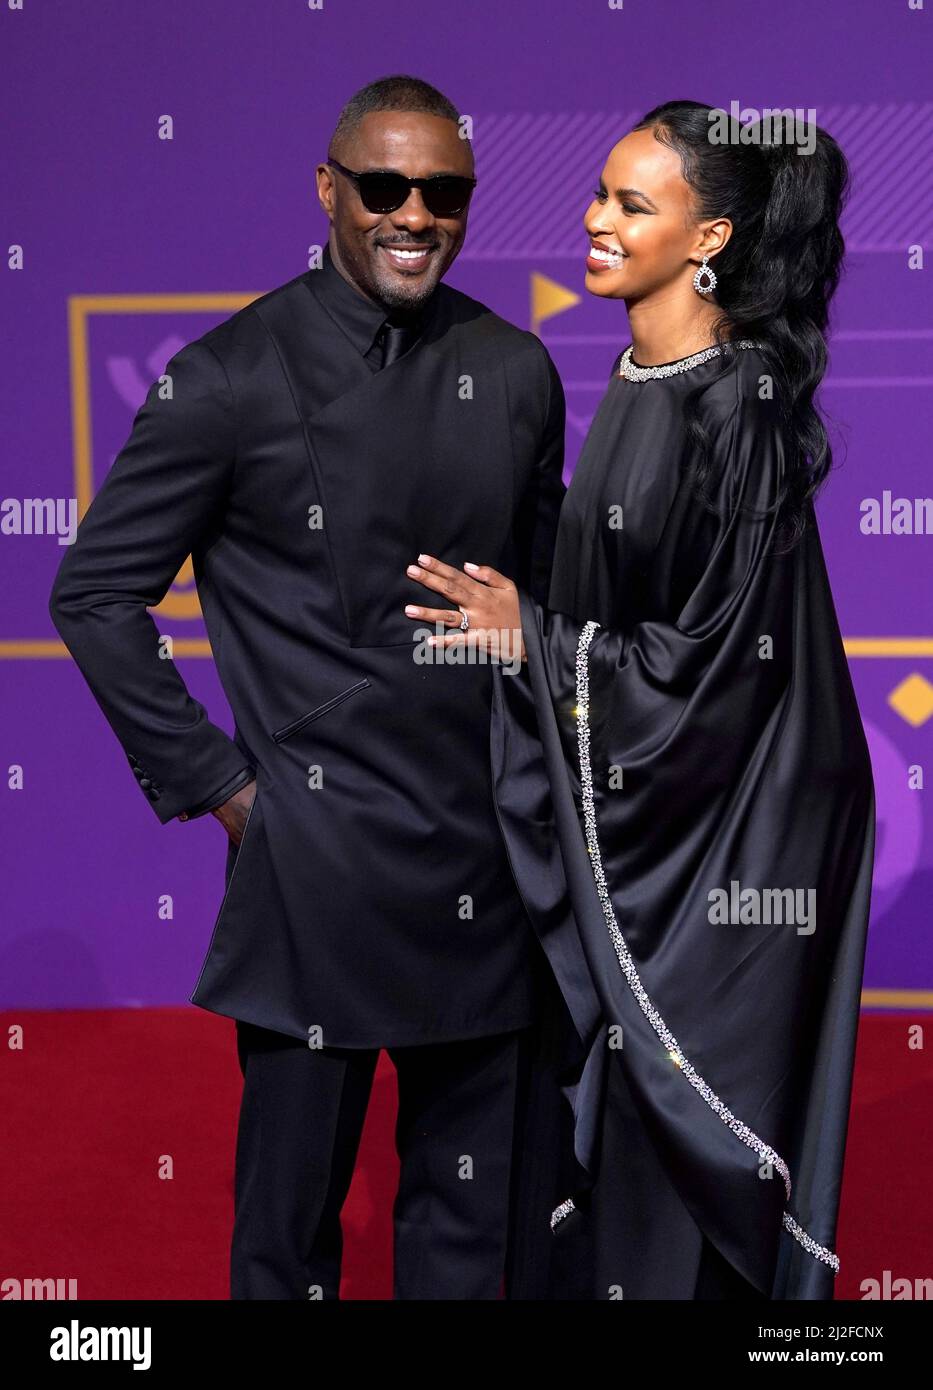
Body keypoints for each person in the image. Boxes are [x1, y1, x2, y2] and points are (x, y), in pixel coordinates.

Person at [48, 74, 567, 1299]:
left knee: (472, 1242)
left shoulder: (515, 370)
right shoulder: (229, 375)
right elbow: (95, 594)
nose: (414, 214)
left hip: (483, 867)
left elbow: (543, 609)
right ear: (328, 191)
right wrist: (228, 791)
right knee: (286, 1248)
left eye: (443, 192)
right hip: (311, 872)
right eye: (384, 187)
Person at [404, 100, 876, 1300]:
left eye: (630, 203)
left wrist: (534, 636)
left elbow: (720, 673)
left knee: (683, 1160)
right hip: (647, 830)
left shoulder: (741, 408)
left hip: (729, 849)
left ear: (709, 236)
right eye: (601, 193)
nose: (593, 219)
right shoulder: (637, 376)